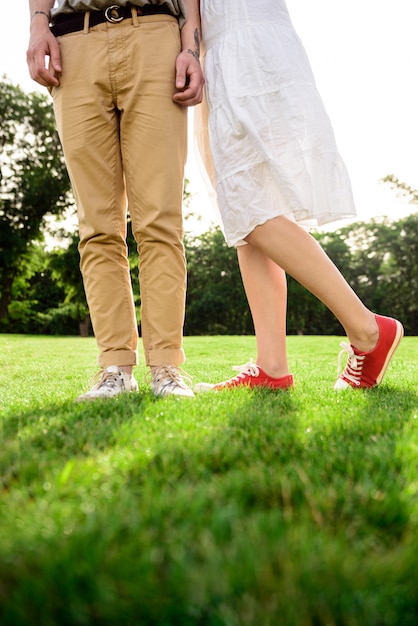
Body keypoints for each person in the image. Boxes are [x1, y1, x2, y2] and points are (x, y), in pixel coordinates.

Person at [194, 0, 403, 392]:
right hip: (226, 51)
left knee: (250, 209)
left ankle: (368, 329)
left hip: (243, 50)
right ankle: (272, 367)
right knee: (246, 216)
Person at [27, 0, 204, 400]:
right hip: (73, 42)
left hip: (155, 32)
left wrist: (191, 43)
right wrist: (38, 26)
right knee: (97, 226)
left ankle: (166, 368)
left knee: (160, 220)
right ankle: (115, 369)